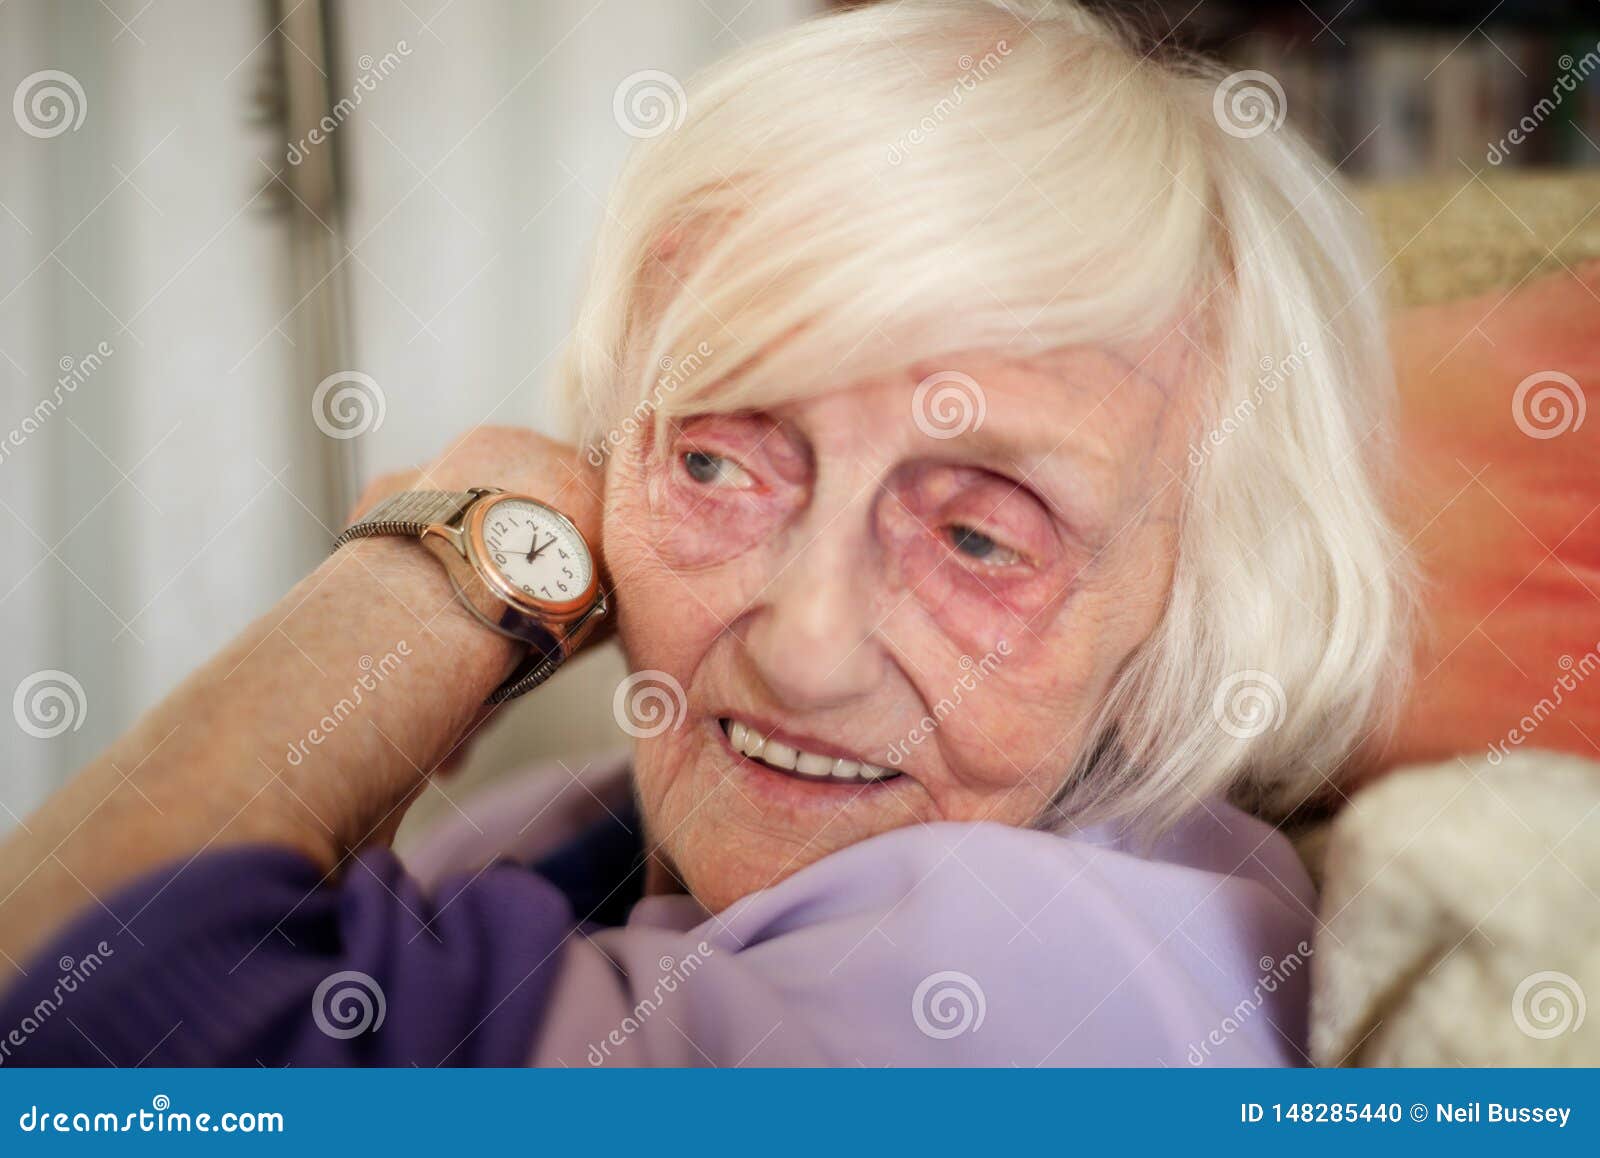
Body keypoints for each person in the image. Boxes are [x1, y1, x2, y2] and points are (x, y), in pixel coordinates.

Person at [0, 0, 1405, 1066]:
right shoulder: (570, 824)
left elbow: (74, 1022)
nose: (803, 648)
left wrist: (437, 572)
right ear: (613, 451)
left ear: (1201, 601)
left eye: (980, 539)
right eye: (725, 460)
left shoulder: (1046, 977)